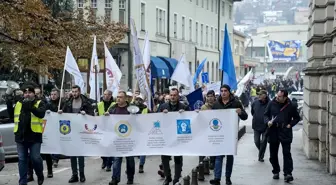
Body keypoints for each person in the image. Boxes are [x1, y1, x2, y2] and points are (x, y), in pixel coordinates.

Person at [210, 84, 248, 185]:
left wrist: (240, 112)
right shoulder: (216, 104)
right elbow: (210, 118)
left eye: (225, 91)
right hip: (219, 134)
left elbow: (245, 116)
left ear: (229, 92)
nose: (223, 93)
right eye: (221, 91)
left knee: (229, 157)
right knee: (218, 156)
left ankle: (227, 178)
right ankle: (217, 178)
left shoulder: (236, 103)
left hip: (231, 134)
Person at [59, 85, 94, 183]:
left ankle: (82, 174)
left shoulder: (86, 102)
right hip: (71, 131)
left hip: (82, 131)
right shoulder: (68, 102)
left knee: (80, 153)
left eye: (76, 91)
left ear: (79, 92)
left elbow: (92, 115)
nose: (74, 93)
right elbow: (64, 113)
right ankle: (74, 174)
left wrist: (85, 114)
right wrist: (60, 112)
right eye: (73, 91)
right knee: (72, 154)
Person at [264, 89, 300, 182]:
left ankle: (288, 173)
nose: (277, 97)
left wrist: (290, 124)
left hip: (285, 131)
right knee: (273, 154)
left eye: (279, 96)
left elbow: (297, 117)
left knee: (287, 153)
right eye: (277, 95)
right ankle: (276, 170)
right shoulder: (272, 103)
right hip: (273, 131)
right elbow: (265, 115)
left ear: (285, 97)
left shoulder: (291, 105)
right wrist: (267, 121)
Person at [14, 85, 46, 185]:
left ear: (33, 94)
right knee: (22, 159)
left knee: (35, 158)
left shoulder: (40, 103)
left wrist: (31, 107)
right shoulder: (19, 103)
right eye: (25, 92)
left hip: (34, 136)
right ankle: (22, 182)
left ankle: (39, 174)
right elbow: (12, 115)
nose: (27, 94)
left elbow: (41, 114)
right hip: (21, 136)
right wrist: (8, 101)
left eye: (30, 92)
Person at [158, 88, 190, 185]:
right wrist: (161, 114)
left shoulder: (184, 107)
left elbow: (191, 118)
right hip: (166, 136)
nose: (172, 97)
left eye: (174, 95)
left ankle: (176, 178)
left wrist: (184, 114)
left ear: (178, 96)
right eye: (171, 95)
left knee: (178, 158)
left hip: (178, 137)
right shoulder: (163, 106)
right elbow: (156, 118)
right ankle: (168, 177)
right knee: (165, 158)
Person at [106, 91, 135, 185]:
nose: (118, 99)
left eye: (121, 97)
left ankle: (130, 178)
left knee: (130, 160)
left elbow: (137, 122)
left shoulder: (131, 108)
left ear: (126, 98)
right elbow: (107, 121)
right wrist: (106, 116)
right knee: (116, 159)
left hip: (129, 138)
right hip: (117, 138)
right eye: (117, 97)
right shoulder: (113, 108)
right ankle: (115, 178)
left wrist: (134, 117)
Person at [131, 94, 149, 173]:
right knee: (131, 151)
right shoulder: (130, 108)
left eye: (140, 99)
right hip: (132, 132)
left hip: (142, 132)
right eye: (137, 99)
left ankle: (141, 165)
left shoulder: (146, 109)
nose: (138, 101)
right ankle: (130, 167)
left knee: (143, 150)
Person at [97, 90, 114, 172]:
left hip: (111, 128)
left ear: (111, 95)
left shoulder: (114, 105)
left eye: (108, 94)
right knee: (102, 147)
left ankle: (109, 164)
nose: (106, 96)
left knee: (110, 147)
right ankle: (104, 160)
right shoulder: (99, 104)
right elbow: (96, 114)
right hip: (102, 128)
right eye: (104, 94)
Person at [198, 90, 216, 168]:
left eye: (211, 96)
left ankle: (212, 162)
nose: (209, 98)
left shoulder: (217, 106)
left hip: (214, 130)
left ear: (214, 97)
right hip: (205, 130)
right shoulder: (203, 107)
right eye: (208, 96)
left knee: (213, 147)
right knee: (202, 147)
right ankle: (201, 163)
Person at [251, 90, 270, 162]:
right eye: (259, 95)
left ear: (265, 96)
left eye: (260, 95)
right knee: (256, 141)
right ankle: (261, 150)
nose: (259, 96)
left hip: (265, 127)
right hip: (256, 125)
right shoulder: (255, 103)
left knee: (264, 141)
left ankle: (261, 157)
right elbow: (252, 112)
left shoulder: (269, 103)